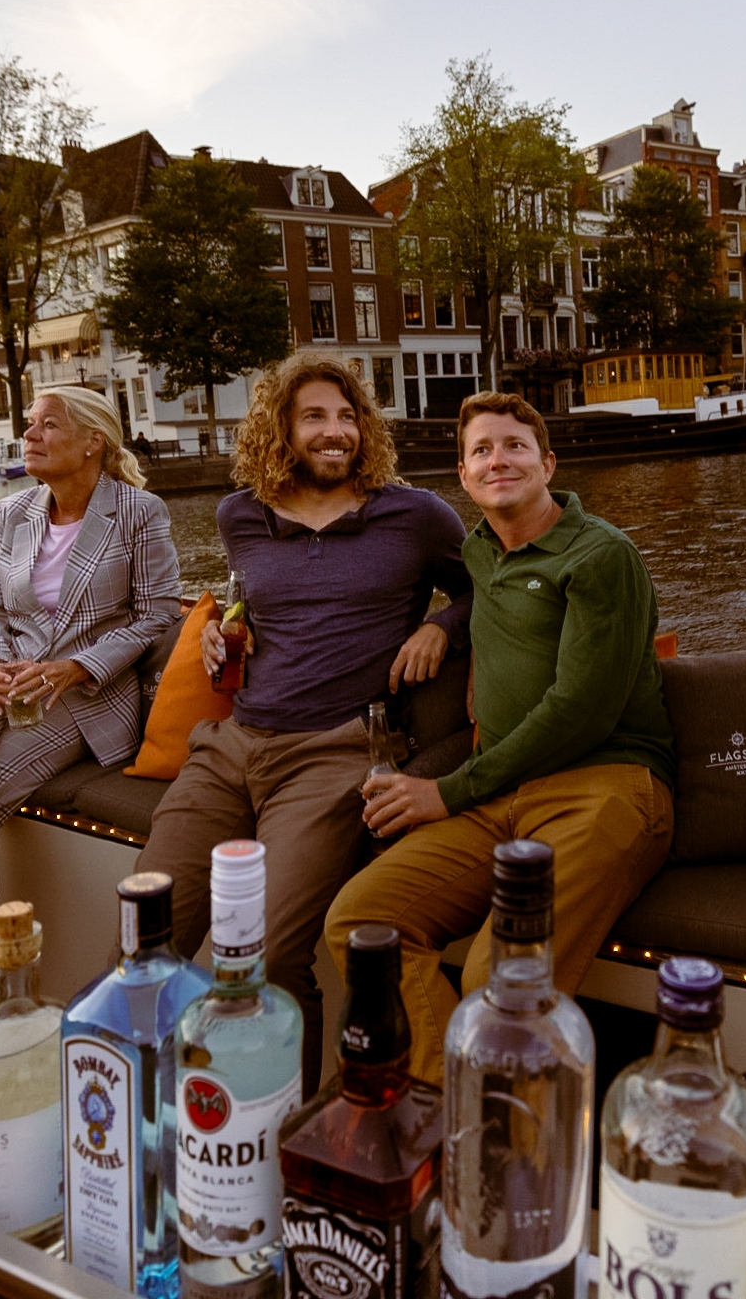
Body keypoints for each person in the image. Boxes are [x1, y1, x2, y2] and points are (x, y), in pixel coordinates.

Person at [135, 353, 470, 1093]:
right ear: (280, 427)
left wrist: (445, 625)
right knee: (146, 931)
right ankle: (139, 1117)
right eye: (315, 416)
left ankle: (281, 1139)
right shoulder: (241, 516)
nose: (336, 431)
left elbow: (494, 586)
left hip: (334, 753)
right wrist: (225, 630)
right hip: (229, 746)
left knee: (266, 960)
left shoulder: (414, 516)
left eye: (348, 417)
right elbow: (258, 607)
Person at [327, 392, 678, 1085]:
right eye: (481, 450)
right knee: (362, 921)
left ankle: (498, 1164)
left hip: (604, 788)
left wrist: (447, 792)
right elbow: (475, 601)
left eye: (514, 446)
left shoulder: (601, 556)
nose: (498, 460)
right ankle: (447, 1108)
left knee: (501, 979)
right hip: (503, 794)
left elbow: (582, 710)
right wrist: (441, 626)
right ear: (464, 476)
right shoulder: (482, 551)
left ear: (547, 464)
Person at [0, 387, 179, 1052]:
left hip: (82, 693)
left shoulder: (140, 513)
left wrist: (73, 668)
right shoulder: (15, 511)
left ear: (93, 443)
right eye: (29, 424)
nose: (29, 434)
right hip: (4, 672)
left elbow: (159, 614)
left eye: (47, 425)